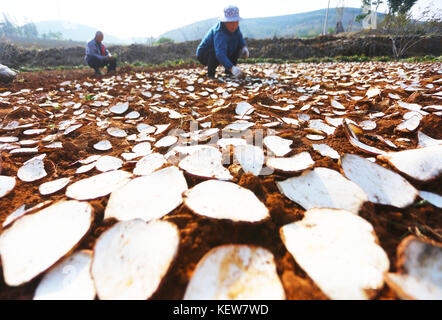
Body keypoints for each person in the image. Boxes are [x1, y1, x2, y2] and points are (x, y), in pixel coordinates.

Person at [196, 5, 249, 79]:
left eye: (236, 22)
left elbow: (239, 38)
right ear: (225, 22)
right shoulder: (220, 32)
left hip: (222, 51)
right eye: (231, 22)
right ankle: (211, 74)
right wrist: (232, 68)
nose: (234, 26)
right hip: (204, 54)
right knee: (214, 50)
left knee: (236, 47)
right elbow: (219, 53)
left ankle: (229, 72)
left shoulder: (236, 28)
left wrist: (244, 47)